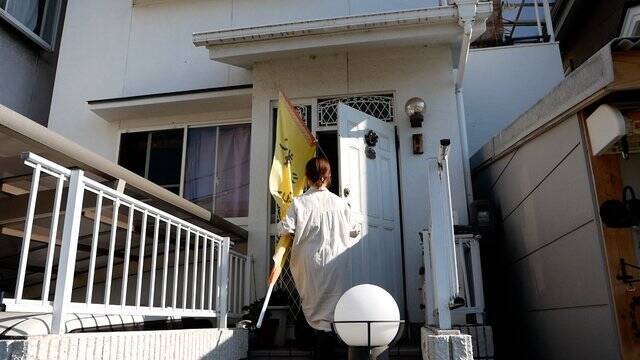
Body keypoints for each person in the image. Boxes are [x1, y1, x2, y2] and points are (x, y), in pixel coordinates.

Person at [278, 157, 360, 359]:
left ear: (307, 178)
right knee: (332, 303)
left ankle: (316, 345)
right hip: (335, 259)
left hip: (309, 261)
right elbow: (356, 230)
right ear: (329, 176)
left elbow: (285, 228)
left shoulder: (300, 203)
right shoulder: (340, 203)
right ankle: (327, 344)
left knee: (311, 302)